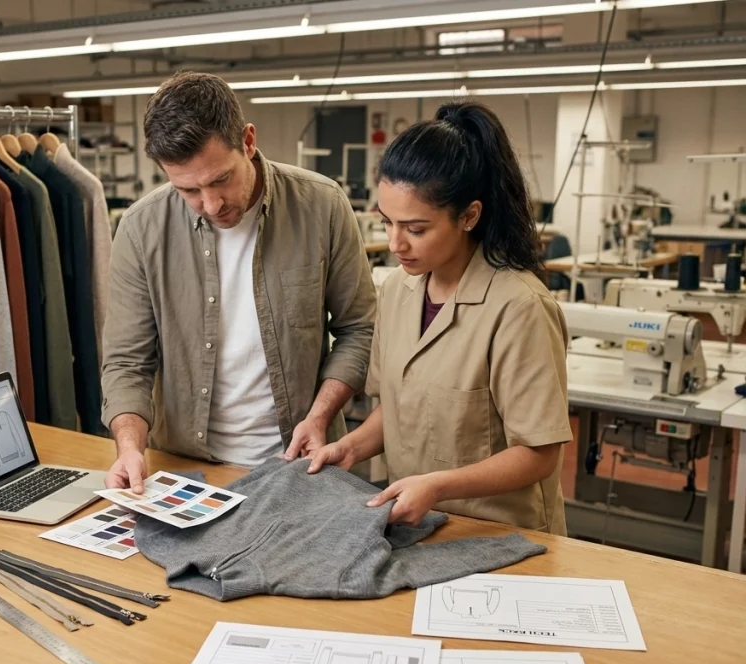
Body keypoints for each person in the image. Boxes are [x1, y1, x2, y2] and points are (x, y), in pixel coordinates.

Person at [101, 72, 376, 491]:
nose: (210, 205)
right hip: (186, 470)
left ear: (248, 141)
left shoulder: (322, 206)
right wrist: (129, 447)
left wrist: (319, 415)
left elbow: (359, 328)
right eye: (188, 190)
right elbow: (127, 362)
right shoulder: (141, 229)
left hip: (301, 464)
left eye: (220, 179)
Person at [308, 101, 571, 534]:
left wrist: (438, 485)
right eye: (387, 222)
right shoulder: (396, 291)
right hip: (417, 530)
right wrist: (350, 447)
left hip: (500, 537)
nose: (396, 243)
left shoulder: (518, 308)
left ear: (469, 216)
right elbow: (395, 411)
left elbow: (539, 454)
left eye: (416, 229)